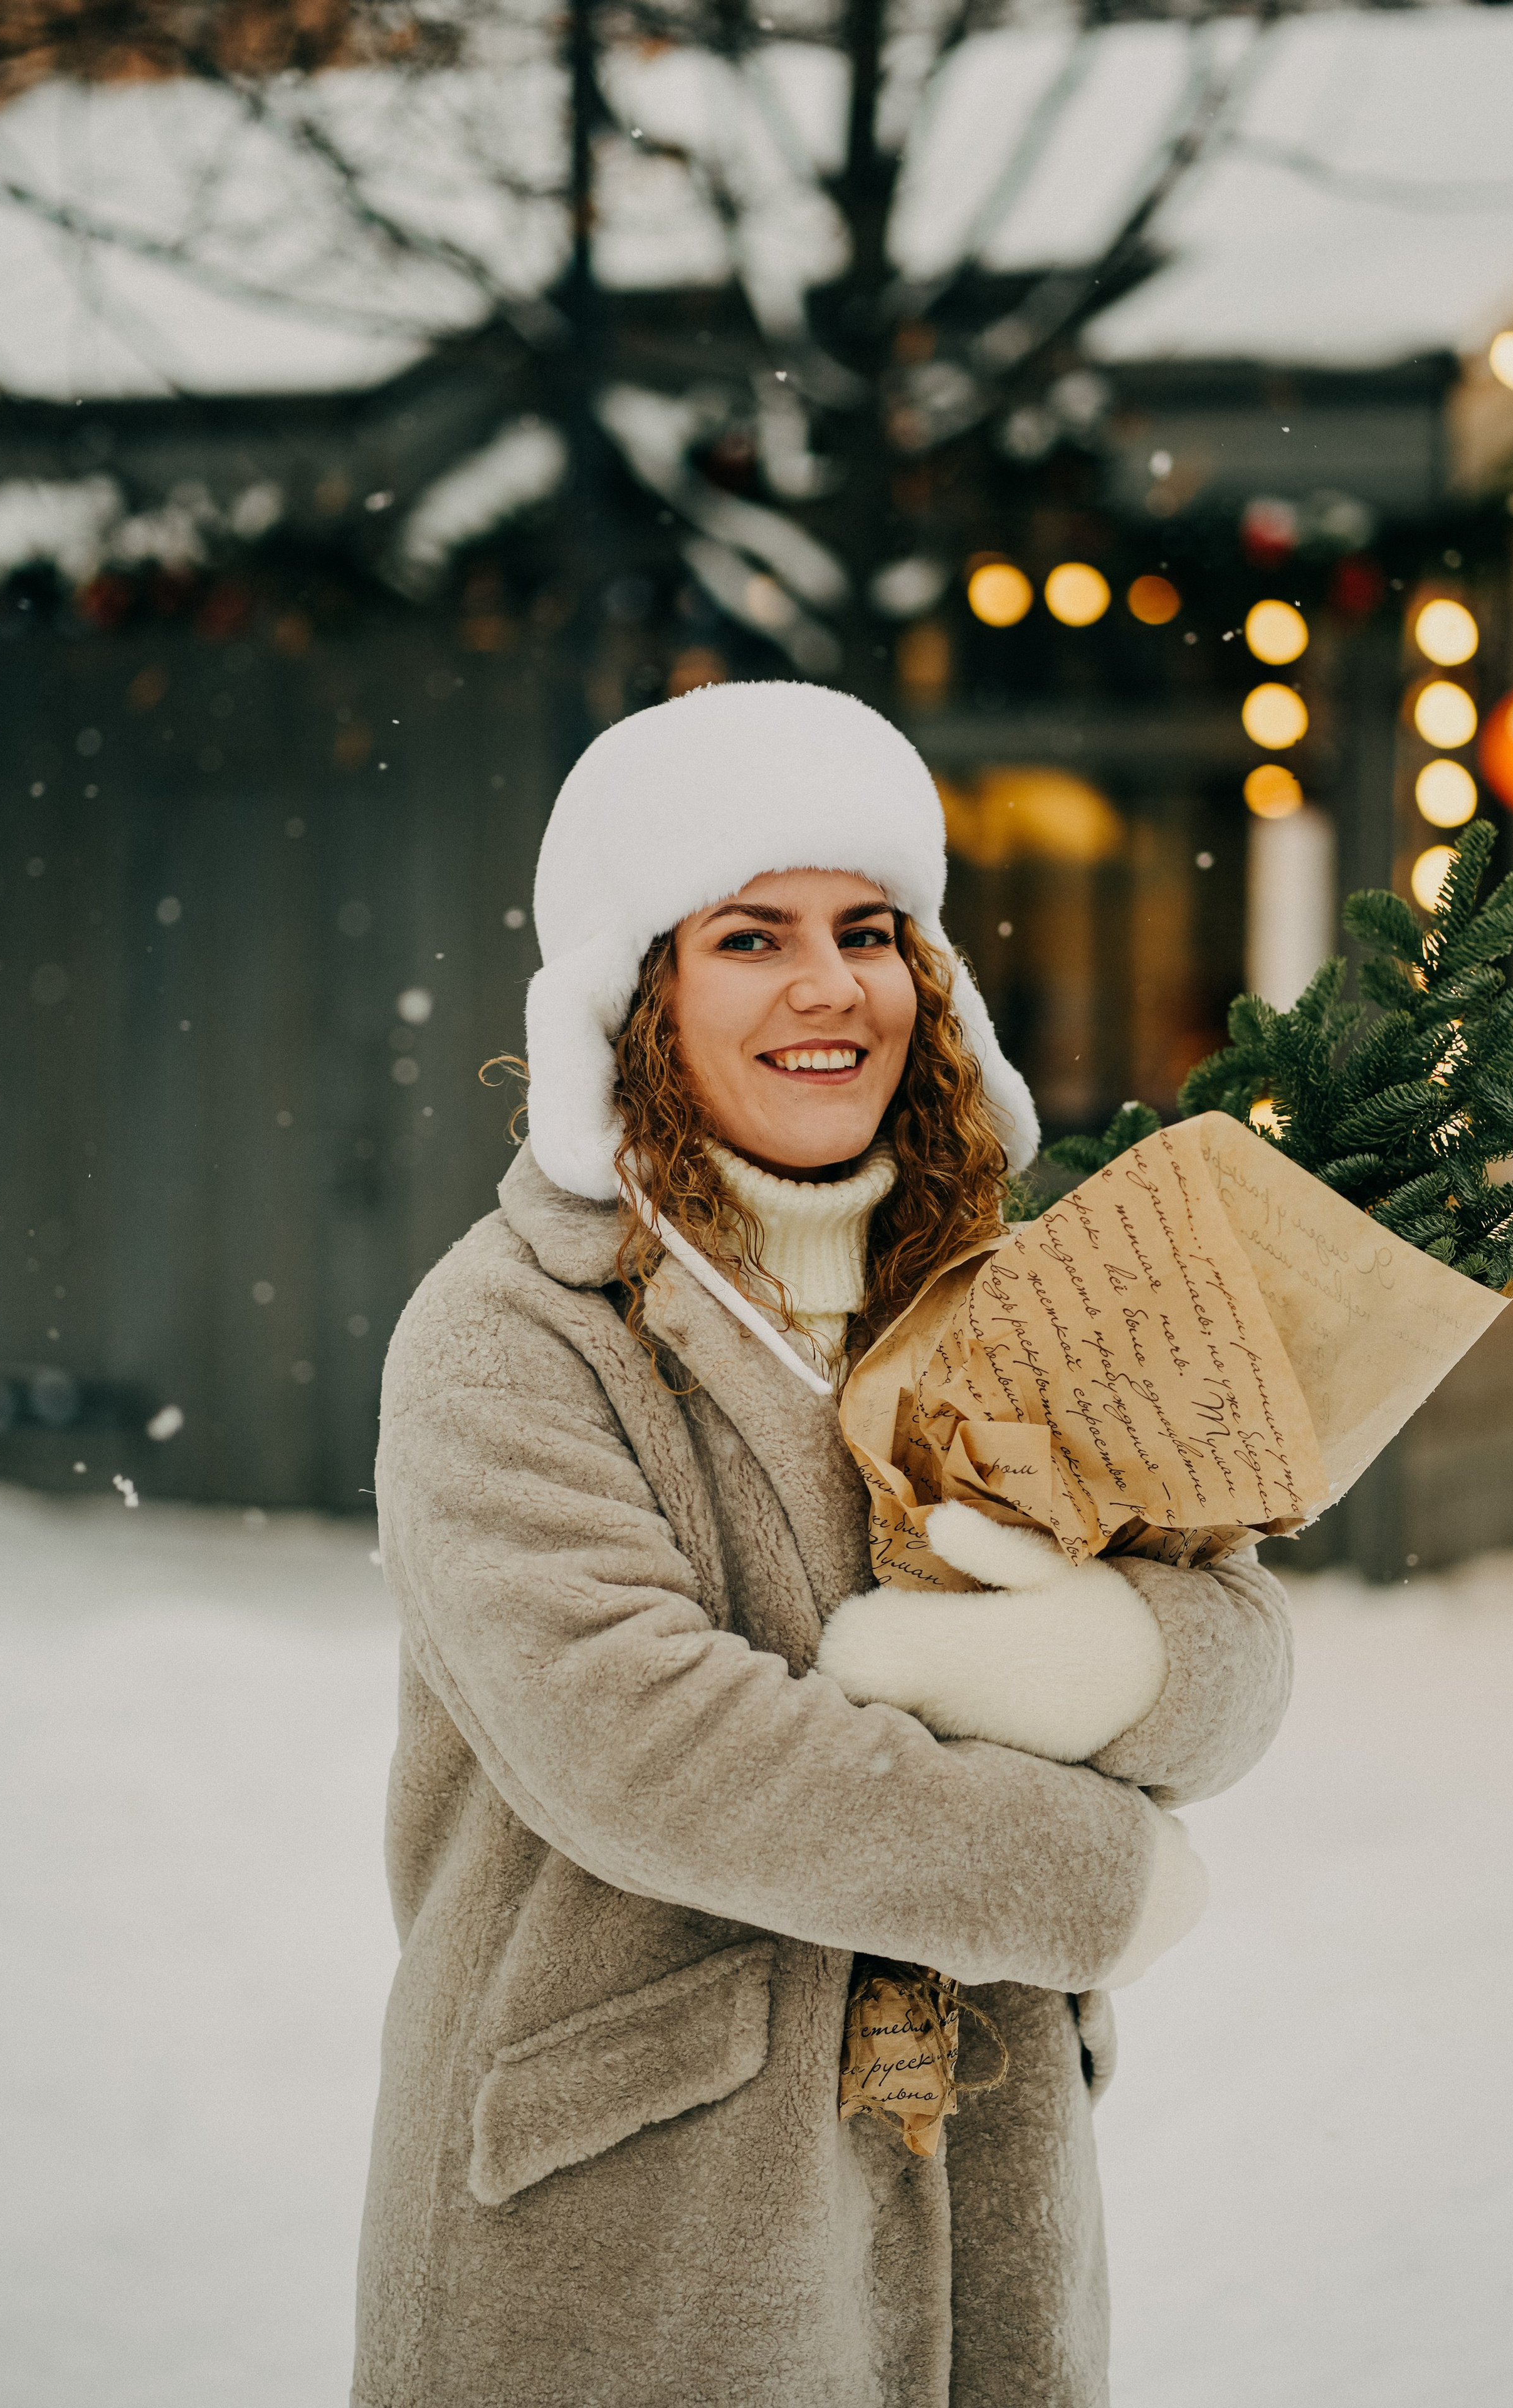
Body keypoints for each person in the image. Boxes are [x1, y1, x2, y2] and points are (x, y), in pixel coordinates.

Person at [352, 681, 1293, 2408]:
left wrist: (1125, 1657)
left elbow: (1241, 1641)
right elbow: (641, 1747)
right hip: (641, 2218)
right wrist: (1082, 1872)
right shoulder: (510, 1334)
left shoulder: (1018, 1299)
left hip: (986, 2193)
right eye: (750, 936)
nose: (827, 986)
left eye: (869, 929)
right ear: (642, 994)